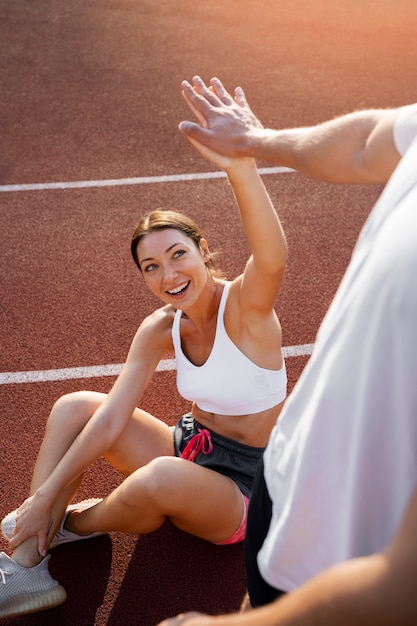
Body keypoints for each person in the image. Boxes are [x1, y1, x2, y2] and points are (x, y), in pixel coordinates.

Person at [0, 102, 288, 618]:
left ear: (203, 251)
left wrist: (242, 168)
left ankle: (70, 525)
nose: (168, 274)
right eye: (150, 266)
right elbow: (111, 416)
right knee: (74, 406)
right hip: (190, 448)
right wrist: (43, 492)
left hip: (246, 489)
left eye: (178, 254)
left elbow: (272, 256)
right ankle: (26, 569)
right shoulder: (161, 327)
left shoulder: (245, 310)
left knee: (159, 477)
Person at [154, 78, 417, 625]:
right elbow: (366, 141)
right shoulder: (163, 325)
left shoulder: (242, 305)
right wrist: (256, 139)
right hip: (293, 465)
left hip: (353, 539)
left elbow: (401, 586)